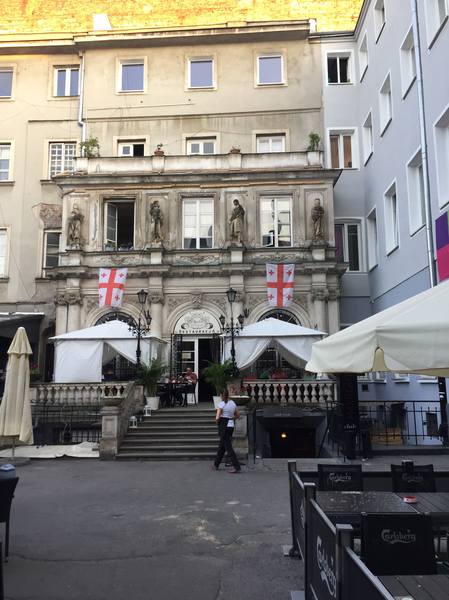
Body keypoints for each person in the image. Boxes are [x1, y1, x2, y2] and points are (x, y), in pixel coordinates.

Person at [212, 389, 241, 473]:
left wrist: (218, 421)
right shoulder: (233, 403)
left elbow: (217, 419)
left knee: (228, 447)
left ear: (221, 395)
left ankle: (236, 466)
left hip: (224, 426)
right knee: (222, 446)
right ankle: (216, 464)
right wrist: (232, 418)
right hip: (231, 425)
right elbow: (238, 414)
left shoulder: (221, 404)